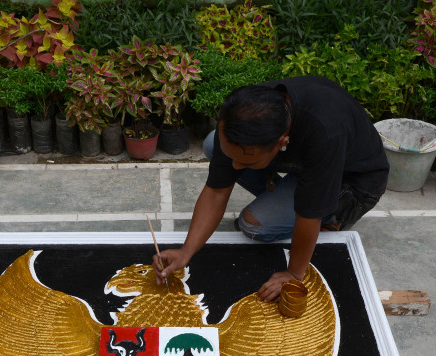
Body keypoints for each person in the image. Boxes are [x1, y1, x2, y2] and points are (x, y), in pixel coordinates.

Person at [154, 75, 389, 302]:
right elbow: (217, 191)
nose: (236, 167)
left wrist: (294, 274)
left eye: (246, 162)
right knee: (213, 144)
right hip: (307, 164)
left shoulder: (325, 133)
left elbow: (308, 214)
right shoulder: (245, 113)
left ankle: (334, 217)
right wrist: (186, 251)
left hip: (353, 184)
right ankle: (281, 186)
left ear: (282, 142)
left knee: (253, 224)